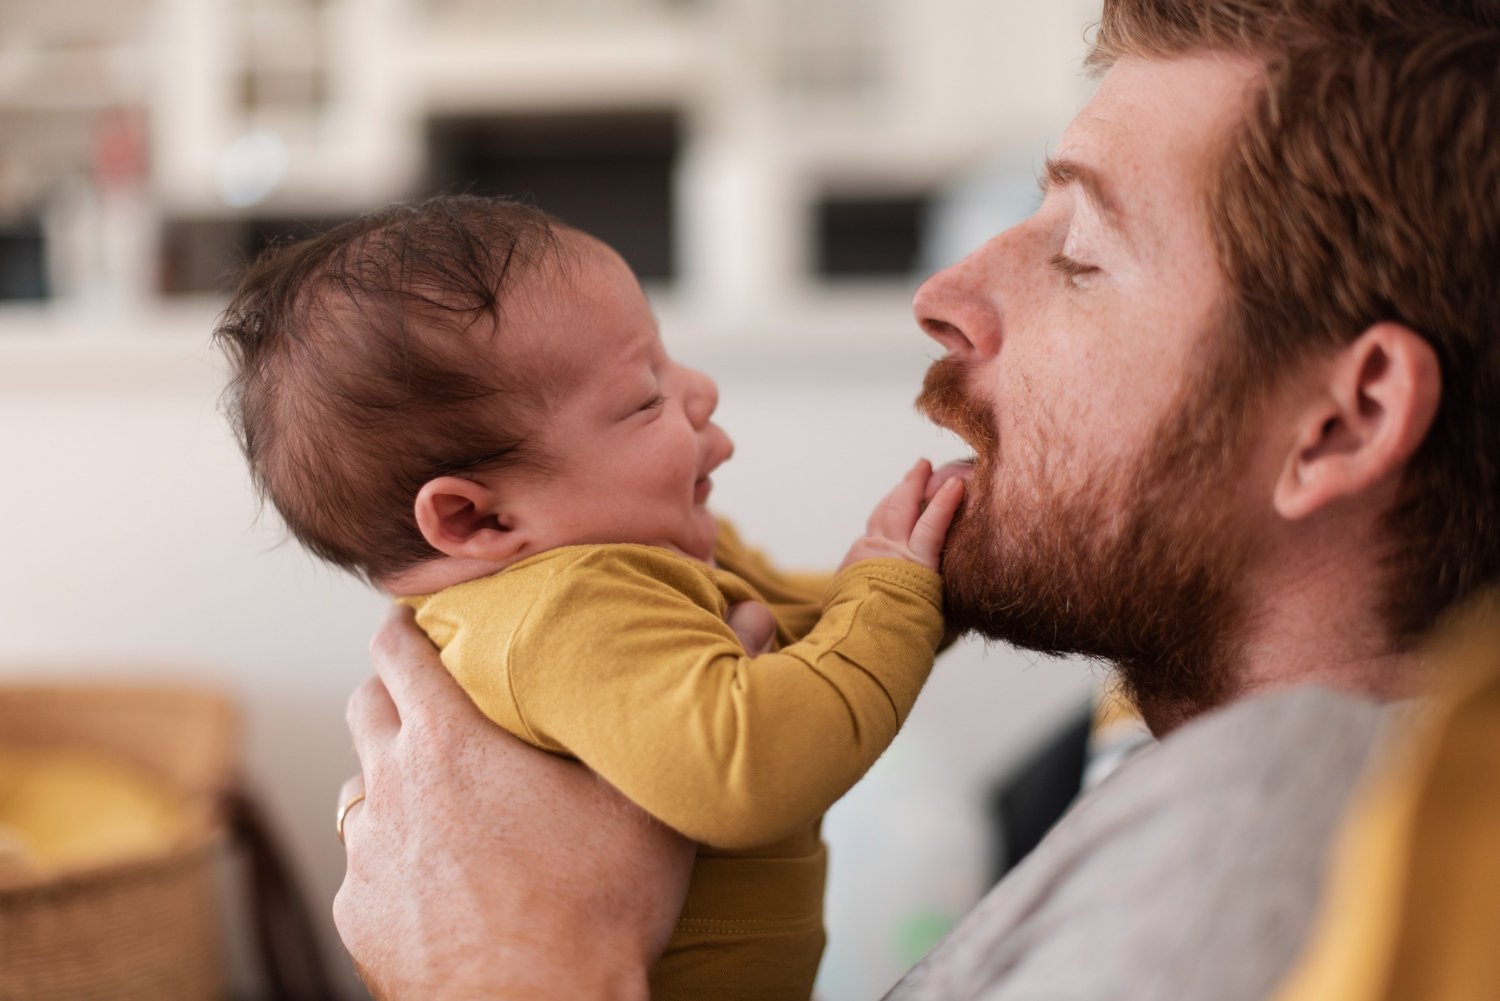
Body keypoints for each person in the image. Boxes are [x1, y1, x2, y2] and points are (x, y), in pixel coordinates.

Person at [333, 0, 1500, 997]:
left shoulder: (1277, 826)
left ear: (1340, 421)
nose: (944, 296)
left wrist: (514, 960)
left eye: (1083, 254)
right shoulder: (1170, 770)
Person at [214, 202, 964, 1001]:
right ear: (478, 516)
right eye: (645, 397)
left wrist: (927, 573)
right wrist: (893, 589)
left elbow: (812, 650)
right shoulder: (563, 610)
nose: (701, 390)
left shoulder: (639, 558)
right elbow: (752, 762)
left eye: (668, 364)